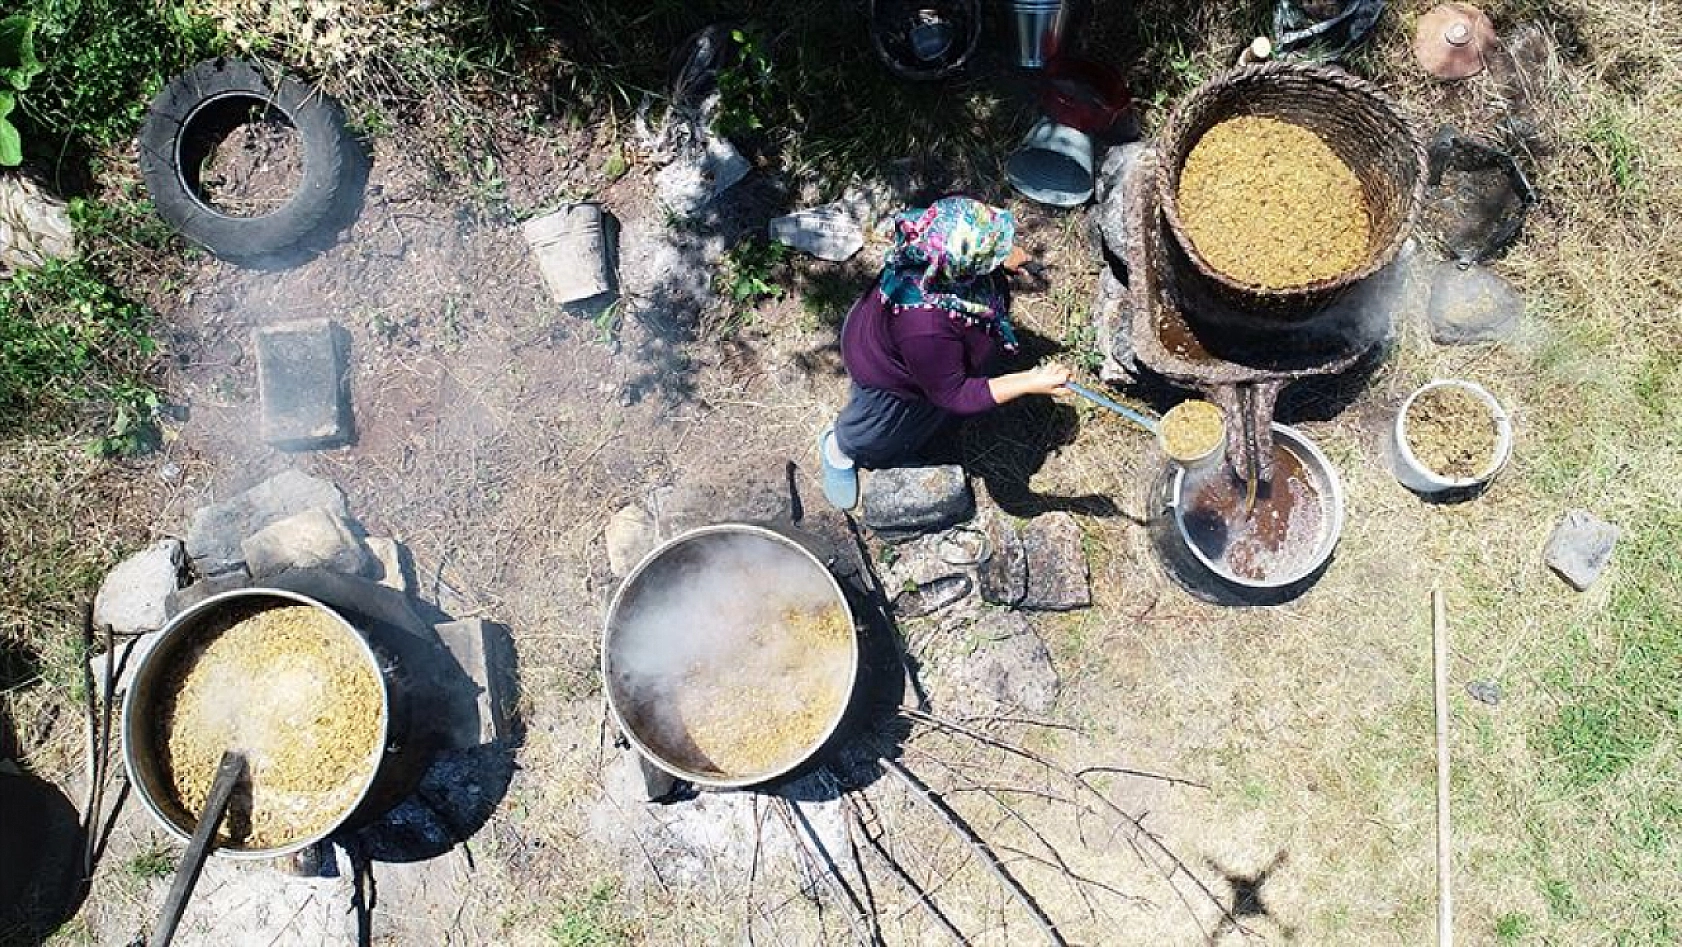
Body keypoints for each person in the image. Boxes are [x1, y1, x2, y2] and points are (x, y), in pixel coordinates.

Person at [819, 196, 1070, 509]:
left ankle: (916, 428)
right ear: (964, 265)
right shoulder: (924, 326)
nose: (1005, 253)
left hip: (925, 360)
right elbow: (954, 394)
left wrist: (1001, 254)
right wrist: (1030, 381)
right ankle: (838, 450)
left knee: (927, 410)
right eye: (993, 252)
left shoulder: (935, 240)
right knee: (873, 432)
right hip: (887, 375)